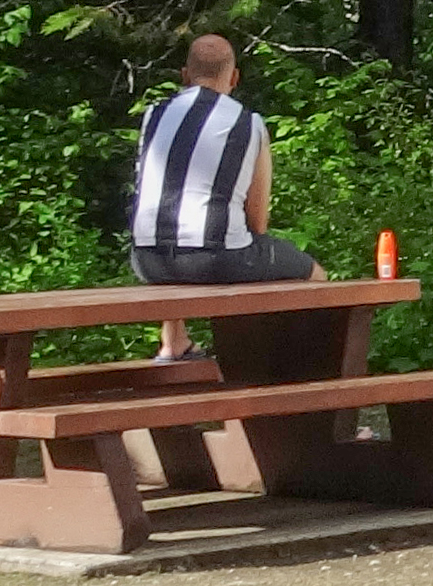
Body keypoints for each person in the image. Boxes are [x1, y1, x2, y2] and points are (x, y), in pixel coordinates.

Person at [130, 36, 322, 351]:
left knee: (175, 239)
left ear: (184, 76)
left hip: (147, 259)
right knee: (314, 275)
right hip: (216, 258)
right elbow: (258, 223)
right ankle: (294, 372)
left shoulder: (153, 115)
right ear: (234, 78)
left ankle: (173, 342)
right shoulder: (248, 123)